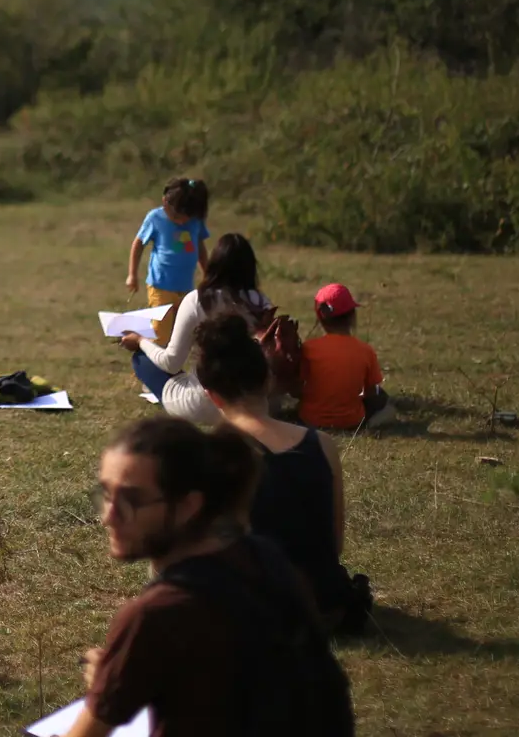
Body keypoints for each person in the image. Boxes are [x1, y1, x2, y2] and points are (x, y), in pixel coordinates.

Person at [66, 417, 352, 737]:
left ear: (189, 505)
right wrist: (122, 679)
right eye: (106, 494)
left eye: (132, 500)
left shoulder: (154, 615)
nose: (109, 516)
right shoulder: (263, 558)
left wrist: (108, 686)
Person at [194, 315, 371, 633]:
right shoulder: (323, 444)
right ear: (268, 380)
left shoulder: (209, 455)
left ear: (211, 395)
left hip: (258, 612)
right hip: (327, 606)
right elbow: (335, 545)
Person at [119, 233, 274, 423]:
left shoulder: (197, 300)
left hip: (202, 404)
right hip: (253, 404)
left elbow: (172, 362)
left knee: (142, 360)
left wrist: (140, 341)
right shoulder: (261, 303)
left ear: (214, 263)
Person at [298, 283, 397, 431]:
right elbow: (370, 391)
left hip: (309, 420)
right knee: (384, 401)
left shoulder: (307, 348)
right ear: (352, 317)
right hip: (351, 421)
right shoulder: (365, 350)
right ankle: (370, 425)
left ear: (320, 319)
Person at [124, 178, 210, 344]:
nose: (180, 221)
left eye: (185, 217)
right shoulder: (155, 218)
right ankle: (147, 369)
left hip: (186, 289)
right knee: (159, 334)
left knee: (182, 336)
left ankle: (172, 369)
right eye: (176, 216)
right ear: (165, 203)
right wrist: (132, 275)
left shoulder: (195, 222)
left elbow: (200, 248)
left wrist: (208, 275)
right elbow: (138, 244)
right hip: (161, 287)